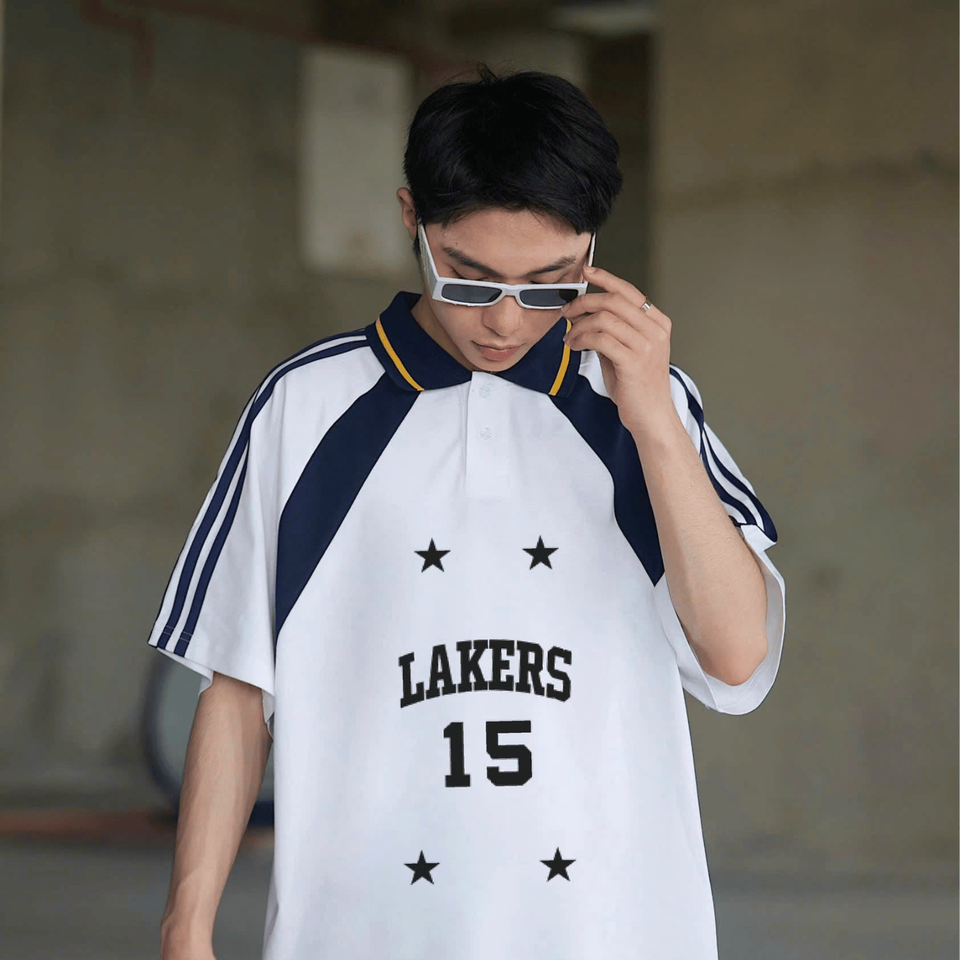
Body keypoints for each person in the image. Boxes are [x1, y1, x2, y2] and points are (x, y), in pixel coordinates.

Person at [152, 62, 785, 960]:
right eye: (471, 279)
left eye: (551, 282)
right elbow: (238, 686)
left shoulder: (646, 405)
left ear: (593, 251)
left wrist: (649, 418)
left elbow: (737, 657)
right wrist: (186, 928)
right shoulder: (308, 406)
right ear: (412, 218)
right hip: (365, 934)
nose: (507, 322)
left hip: (613, 934)